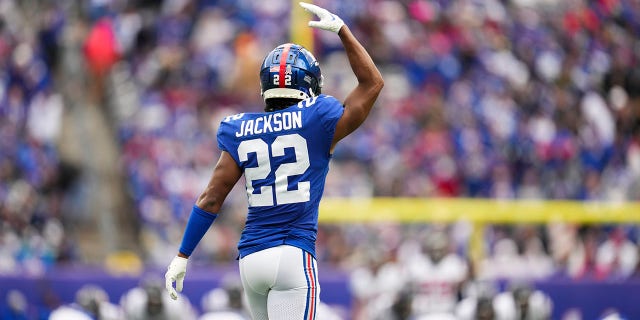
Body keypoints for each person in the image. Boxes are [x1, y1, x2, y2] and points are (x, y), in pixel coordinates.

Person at [165, 2, 384, 320]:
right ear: (309, 83)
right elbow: (372, 84)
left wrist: (183, 254)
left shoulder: (240, 127)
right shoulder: (318, 117)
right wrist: (343, 31)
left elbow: (211, 198)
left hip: (251, 259)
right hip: (293, 255)